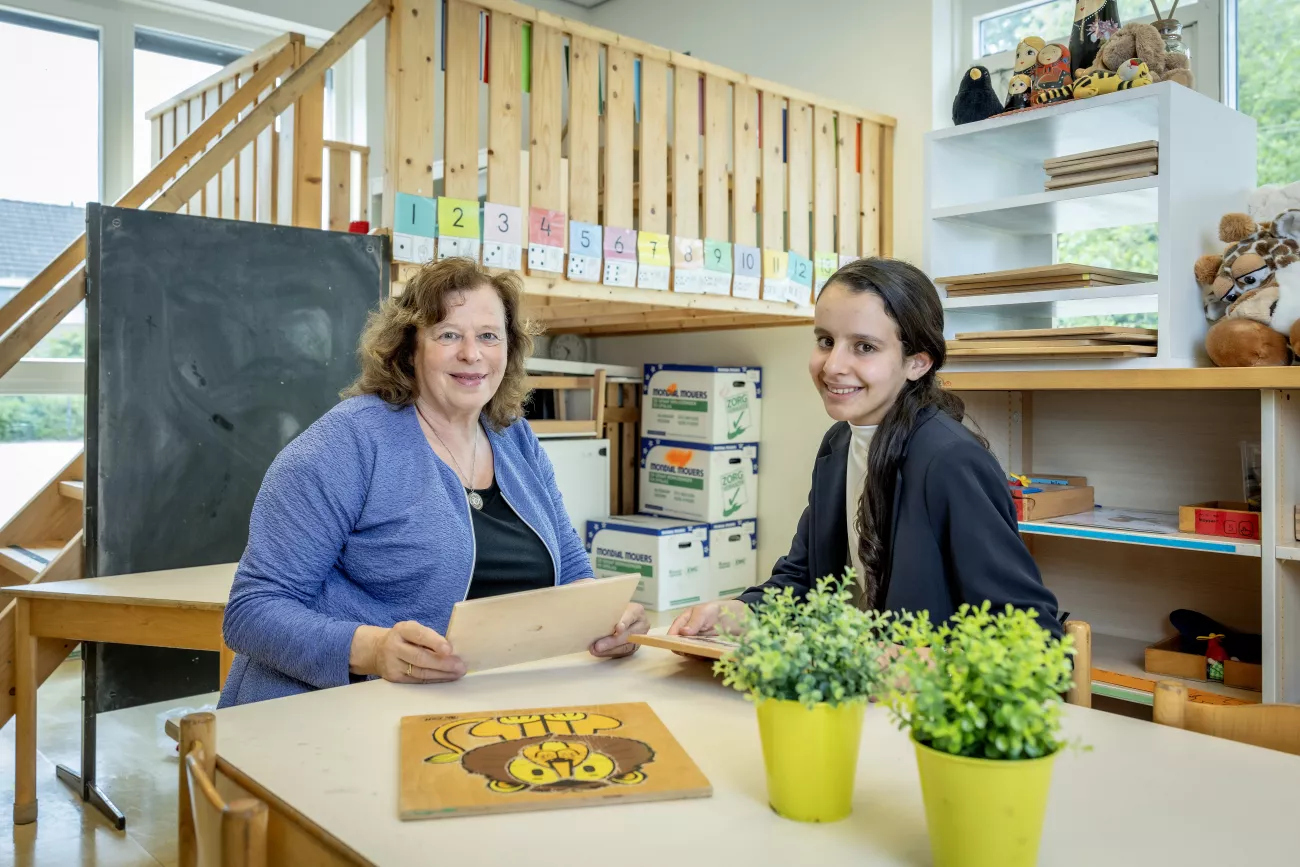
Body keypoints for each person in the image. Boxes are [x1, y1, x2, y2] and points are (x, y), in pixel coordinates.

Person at [219, 258, 647, 707]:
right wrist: (374, 650)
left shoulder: (514, 437)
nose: (472, 353)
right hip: (330, 717)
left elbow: (572, 572)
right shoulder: (347, 443)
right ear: (409, 349)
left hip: (469, 711)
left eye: (488, 336)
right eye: (448, 335)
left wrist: (609, 619)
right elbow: (252, 612)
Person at [669, 257, 1062, 640]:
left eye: (864, 347)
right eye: (826, 341)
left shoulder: (951, 460)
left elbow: (1033, 636)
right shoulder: (839, 444)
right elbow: (806, 580)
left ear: (918, 363)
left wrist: (929, 668)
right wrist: (740, 612)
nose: (832, 365)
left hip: (926, 702)